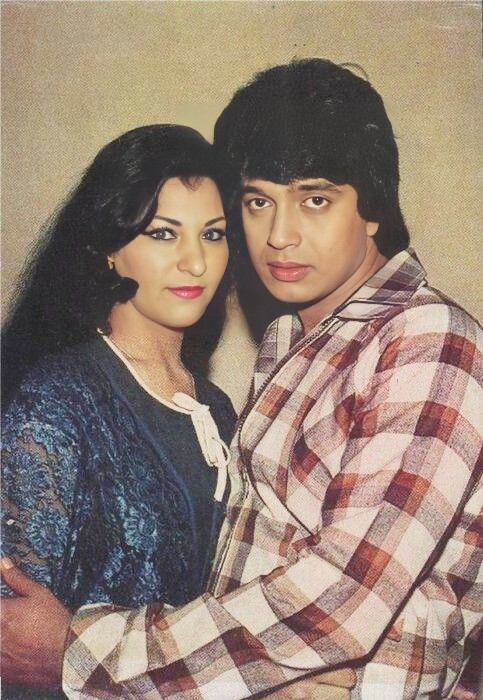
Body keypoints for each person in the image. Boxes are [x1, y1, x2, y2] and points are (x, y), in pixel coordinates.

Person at [2, 59, 481, 699]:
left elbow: (340, 603)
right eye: (258, 202)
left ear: (373, 209)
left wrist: (77, 652)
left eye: (315, 199)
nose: (280, 235)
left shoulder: (426, 338)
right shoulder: (287, 345)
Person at [1, 125, 236, 695]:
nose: (195, 262)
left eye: (212, 234)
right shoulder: (57, 401)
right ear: (109, 247)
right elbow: (14, 641)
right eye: (163, 233)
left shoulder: (220, 409)